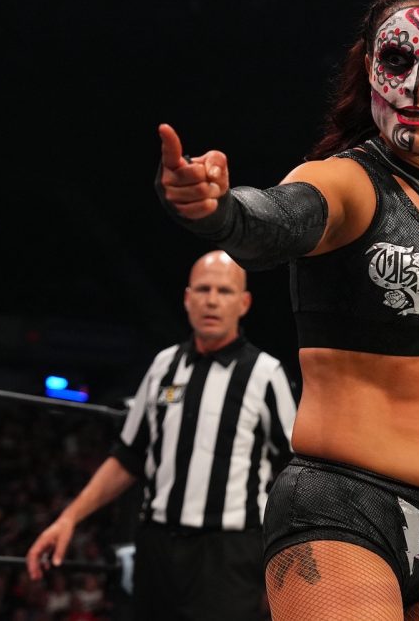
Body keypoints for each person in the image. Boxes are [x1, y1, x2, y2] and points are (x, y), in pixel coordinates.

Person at [157, 0, 419, 620]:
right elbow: (273, 221)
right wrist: (217, 212)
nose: (416, 84)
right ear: (370, 69)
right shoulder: (347, 182)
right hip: (343, 510)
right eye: (398, 60)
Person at [26, 251, 297, 621]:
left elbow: (294, 472)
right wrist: (69, 519)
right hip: (157, 550)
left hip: (229, 555)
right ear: (187, 298)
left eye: (224, 291)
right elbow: (128, 456)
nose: (212, 300)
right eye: (203, 289)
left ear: (244, 303)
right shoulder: (163, 366)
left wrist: (284, 557)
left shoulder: (266, 374)